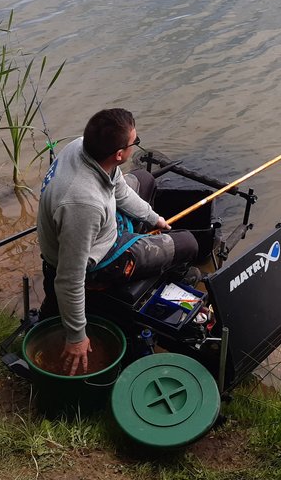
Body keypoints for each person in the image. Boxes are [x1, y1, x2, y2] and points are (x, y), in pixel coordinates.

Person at [36, 108, 198, 375]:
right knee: (187, 244)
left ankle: (147, 246)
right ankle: (165, 278)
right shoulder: (83, 205)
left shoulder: (81, 146)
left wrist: (154, 218)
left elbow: (119, 190)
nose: (137, 145)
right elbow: (69, 278)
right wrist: (76, 336)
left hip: (97, 222)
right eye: (135, 142)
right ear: (119, 154)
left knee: (145, 179)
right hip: (98, 259)